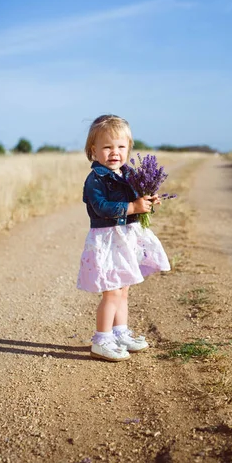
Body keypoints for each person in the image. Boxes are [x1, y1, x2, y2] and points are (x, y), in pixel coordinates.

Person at [77, 114, 171, 361]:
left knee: (124, 289)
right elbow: (101, 207)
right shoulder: (96, 179)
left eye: (121, 146)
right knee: (112, 292)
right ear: (93, 150)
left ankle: (119, 332)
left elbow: (137, 196)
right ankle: (102, 339)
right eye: (107, 147)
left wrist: (148, 200)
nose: (114, 152)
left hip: (127, 237)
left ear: (129, 149)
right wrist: (133, 207)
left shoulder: (127, 174)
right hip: (108, 240)